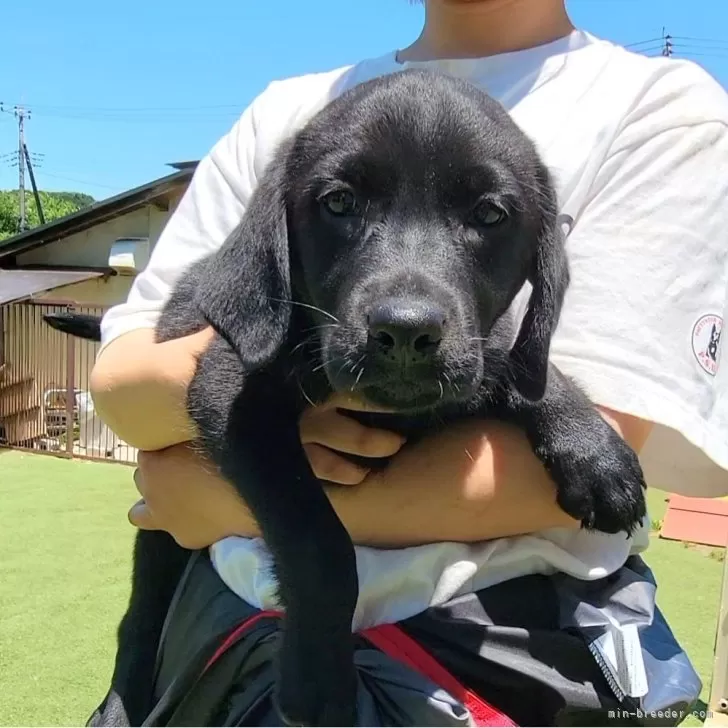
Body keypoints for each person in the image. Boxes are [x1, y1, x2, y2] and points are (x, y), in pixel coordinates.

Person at [88, 0, 728, 724]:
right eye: (340, 204)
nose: (407, 306)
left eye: (486, 218)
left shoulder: (658, 109)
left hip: (495, 654)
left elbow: (546, 453)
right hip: (236, 642)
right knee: (147, 613)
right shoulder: (288, 114)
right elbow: (134, 377)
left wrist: (215, 500)